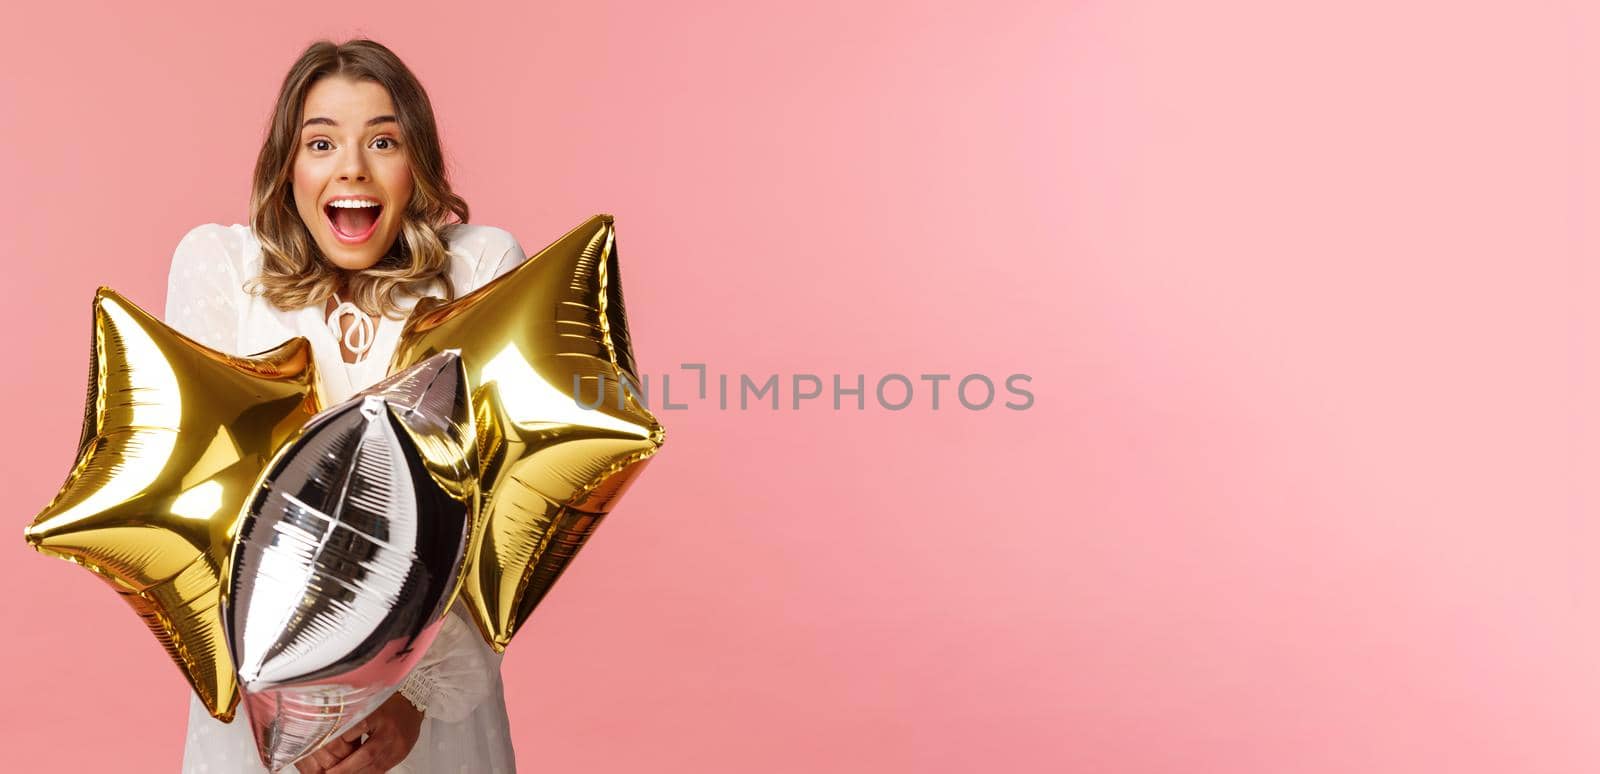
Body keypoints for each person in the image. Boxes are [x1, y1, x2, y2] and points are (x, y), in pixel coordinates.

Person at [165, 38, 523, 774]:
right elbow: (198, 503)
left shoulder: (479, 271)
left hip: (428, 708)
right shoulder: (222, 269)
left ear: (414, 162)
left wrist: (412, 699)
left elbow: (507, 515)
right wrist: (293, 705)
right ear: (287, 167)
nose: (352, 166)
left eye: (382, 141)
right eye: (321, 142)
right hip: (261, 701)